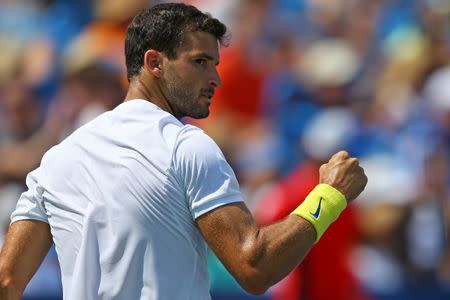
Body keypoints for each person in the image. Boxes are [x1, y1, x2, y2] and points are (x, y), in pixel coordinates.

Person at [0, 3, 368, 299]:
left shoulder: (57, 159)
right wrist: (329, 196)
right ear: (154, 63)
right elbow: (255, 267)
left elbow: (7, 281)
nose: (216, 79)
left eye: (215, 64)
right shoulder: (186, 146)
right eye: (200, 62)